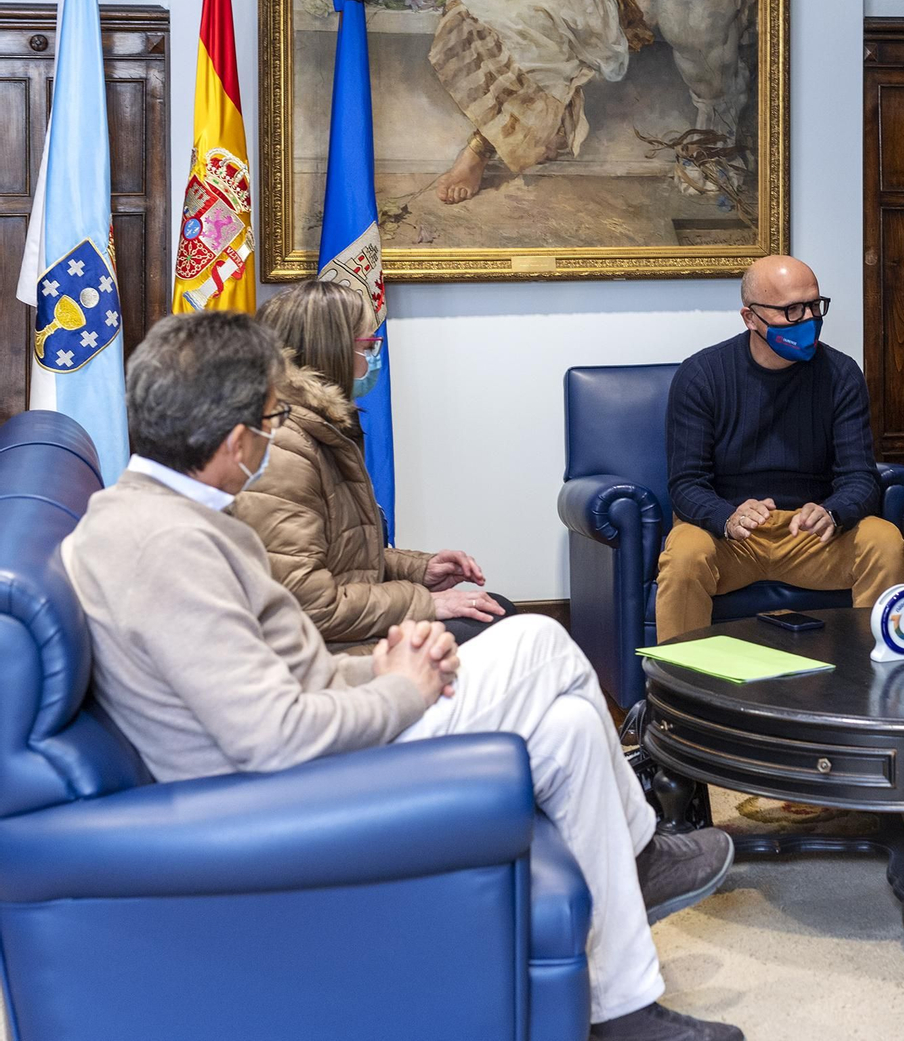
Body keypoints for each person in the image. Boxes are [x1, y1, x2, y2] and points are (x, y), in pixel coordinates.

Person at [61, 311, 743, 1041]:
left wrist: (379, 669)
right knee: (540, 640)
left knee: (572, 726)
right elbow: (271, 738)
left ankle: (623, 1008)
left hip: (322, 734)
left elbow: (282, 676)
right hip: (292, 793)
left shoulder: (152, 514)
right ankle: (639, 855)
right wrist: (401, 689)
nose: (273, 431)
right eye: (269, 418)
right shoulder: (165, 548)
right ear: (234, 443)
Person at [231, 280, 510, 649]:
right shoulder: (282, 448)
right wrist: (424, 604)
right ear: (330, 352)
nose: (372, 358)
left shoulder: (314, 427)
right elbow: (304, 604)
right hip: (312, 651)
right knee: (497, 628)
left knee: (496, 615)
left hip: (342, 625)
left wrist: (419, 570)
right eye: (366, 346)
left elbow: (338, 557)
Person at [655, 255, 904, 641]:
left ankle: (873, 679)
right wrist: (727, 516)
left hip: (811, 536)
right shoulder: (702, 375)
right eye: (791, 310)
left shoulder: (840, 375)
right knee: (684, 554)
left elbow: (860, 476)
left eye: (814, 305)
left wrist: (832, 511)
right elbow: (686, 483)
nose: (808, 320)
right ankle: (681, 689)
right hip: (730, 536)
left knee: (885, 541)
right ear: (750, 318)